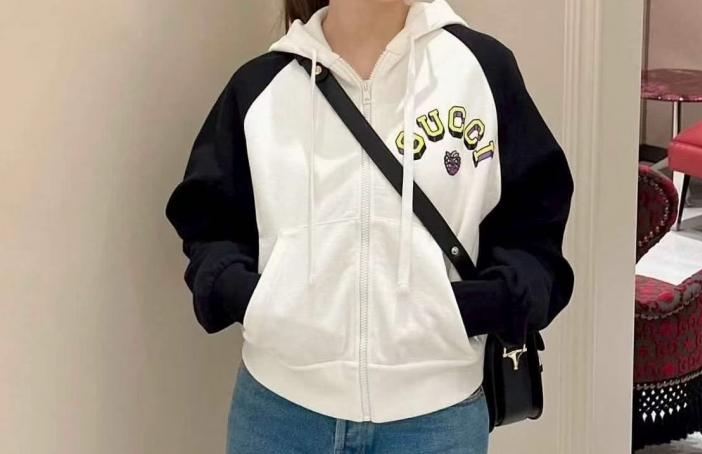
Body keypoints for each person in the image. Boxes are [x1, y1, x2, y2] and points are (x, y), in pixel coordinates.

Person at [164, 0, 575, 452]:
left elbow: (534, 225)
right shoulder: (260, 87)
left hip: (437, 421)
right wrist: (261, 302)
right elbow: (210, 222)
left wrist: (471, 308)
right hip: (279, 415)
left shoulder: (481, 70)